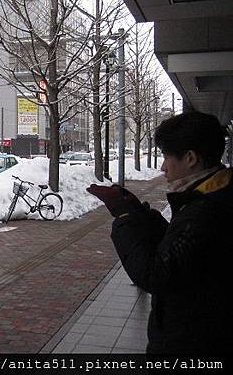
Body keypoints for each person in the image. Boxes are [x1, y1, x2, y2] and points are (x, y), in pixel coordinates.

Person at [87, 111, 233, 354]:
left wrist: (124, 219)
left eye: (167, 157)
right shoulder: (211, 194)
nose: (163, 167)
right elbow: (183, 251)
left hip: (195, 341)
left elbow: (156, 274)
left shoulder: (208, 208)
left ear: (190, 158)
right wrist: (140, 215)